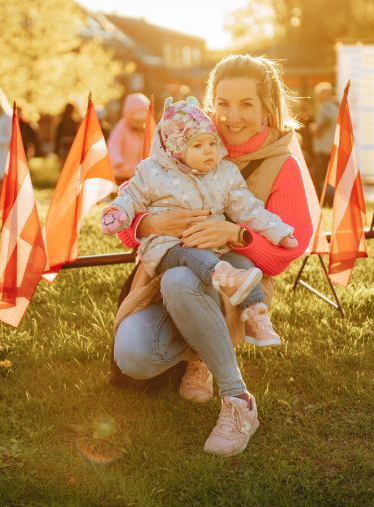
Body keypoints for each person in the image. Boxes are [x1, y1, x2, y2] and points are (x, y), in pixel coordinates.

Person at [111, 55, 316, 457]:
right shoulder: (181, 139)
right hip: (169, 266)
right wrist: (153, 225)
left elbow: (285, 253)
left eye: (246, 104)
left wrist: (235, 234)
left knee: (181, 279)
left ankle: (237, 400)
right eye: (222, 103)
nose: (232, 116)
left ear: (267, 107)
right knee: (135, 356)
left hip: (236, 284)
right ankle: (202, 348)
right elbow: (127, 222)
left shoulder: (281, 164)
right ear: (211, 103)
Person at [102, 100, 298, 347]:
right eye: (197, 145)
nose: (209, 151)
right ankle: (220, 280)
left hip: (212, 247)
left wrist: (279, 232)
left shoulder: (222, 173)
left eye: (212, 143)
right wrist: (119, 214)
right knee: (195, 260)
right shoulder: (152, 173)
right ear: (177, 150)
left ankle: (256, 317)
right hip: (170, 248)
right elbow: (130, 197)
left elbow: (248, 208)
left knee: (243, 265)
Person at [106, 93, 151, 186]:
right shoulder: (121, 129)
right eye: (137, 121)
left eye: (143, 121)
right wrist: (118, 162)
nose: (140, 124)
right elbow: (113, 146)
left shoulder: (143, 132)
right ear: (129, 116)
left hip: (137, 173)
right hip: (121, 173)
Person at [310, 82, 339, 199]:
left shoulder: (325, 106)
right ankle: (329, 199)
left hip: (323, 149)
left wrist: (316, 130)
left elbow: (327, 120)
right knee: (329, 177)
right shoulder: (334, 106)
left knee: (318, 177)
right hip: (331, 148)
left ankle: (319, 199)